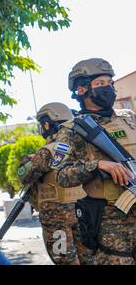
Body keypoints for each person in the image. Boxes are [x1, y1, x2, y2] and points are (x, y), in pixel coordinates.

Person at [53, 58, 136, 265]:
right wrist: (97, 165)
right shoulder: (71, 130)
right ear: (81, 90)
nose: (108, 88)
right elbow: (60, 175)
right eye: (100, 84)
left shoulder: (130, 119)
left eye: (110, 82)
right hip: (112, 224)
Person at [17, 102, 95, 265]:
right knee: (89, 258)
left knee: (65, 260)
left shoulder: (50, 150)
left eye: (42, 125)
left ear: (47, 123)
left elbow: (26, 175)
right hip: (83, 212)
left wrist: (28, 161)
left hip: (56, 217)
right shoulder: (83, 148)